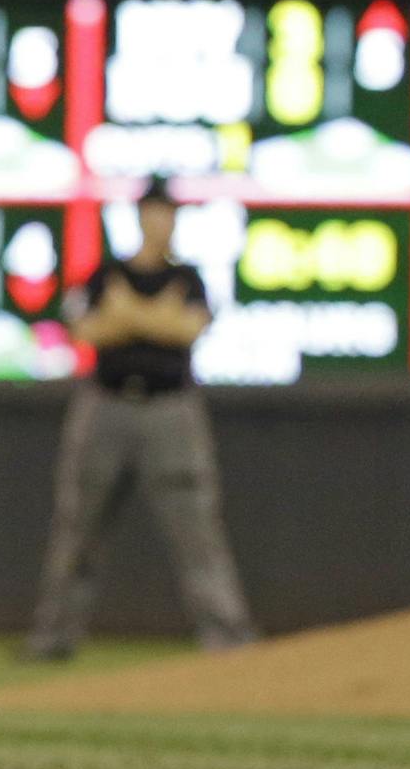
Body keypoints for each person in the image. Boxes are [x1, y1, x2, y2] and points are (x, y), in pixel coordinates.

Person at [23, 176, 258, 658]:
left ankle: (229, 639)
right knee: (77, 532)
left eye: (165, 212)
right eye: (150, 211)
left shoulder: (188, 279)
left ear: (174, 219)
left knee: (198, 536)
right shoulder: (102, 273)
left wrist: (127, 316)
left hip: (170, 412)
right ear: (137, 217)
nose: (157, 220)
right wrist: (153, 320)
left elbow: (187, 329)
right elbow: (84, 330)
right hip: (105, 408)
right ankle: (52, 640)